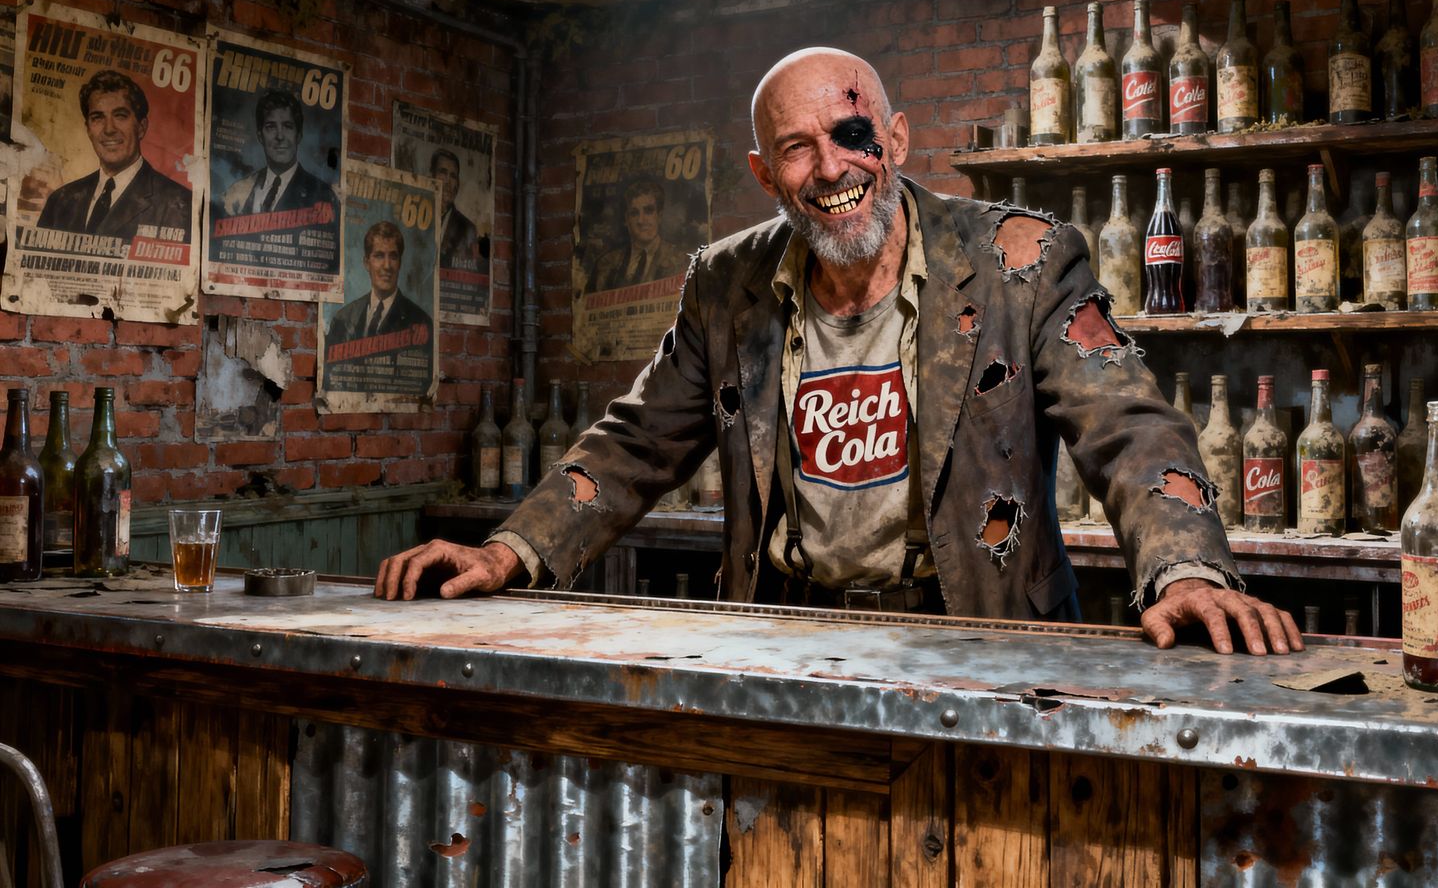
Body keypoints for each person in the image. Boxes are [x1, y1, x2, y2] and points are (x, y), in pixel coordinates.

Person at [377, 48, 1301, 657]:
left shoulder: (1020, 260)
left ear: (895, 140)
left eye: (853, 135)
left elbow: (1129, 424)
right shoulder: (726, 283)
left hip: (980, 642)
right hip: (784, 638)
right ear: (763, 173)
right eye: (796, 149)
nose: (830, 168)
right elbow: (633, 443)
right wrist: (510, 551)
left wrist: (1185, 566)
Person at [36, 69, 192, 242]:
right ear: (88, 129)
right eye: (98, 118)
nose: (109, 129)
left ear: (141, 127)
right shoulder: (60, 201)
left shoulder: (180, 204)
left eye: (120, 116)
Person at [217, 88, 338, 220]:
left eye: (288, 126)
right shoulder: (238, 192)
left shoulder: (323, 195)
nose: (280, 136)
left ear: (298, 135)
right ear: (260, 136)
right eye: (271, 127)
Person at [326, 221, 433, 347]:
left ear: (399, 263)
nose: (387, 266)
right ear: (366, 263)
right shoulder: (343, 318)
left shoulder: (420, 322)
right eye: (379, 256)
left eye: (393, 257)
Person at [591, 179, 688, 289]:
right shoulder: (606, 263)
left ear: (659, 216)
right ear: (626, 220)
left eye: (648, 211)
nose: (641, 220)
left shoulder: (680, 260)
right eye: (634, 213)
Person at [432, 148, 483, 270]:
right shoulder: (417, 215)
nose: (448, 181)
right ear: (432, 176)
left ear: (458, 184)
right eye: (443, 172)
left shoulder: (468, 229)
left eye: (453, 176)